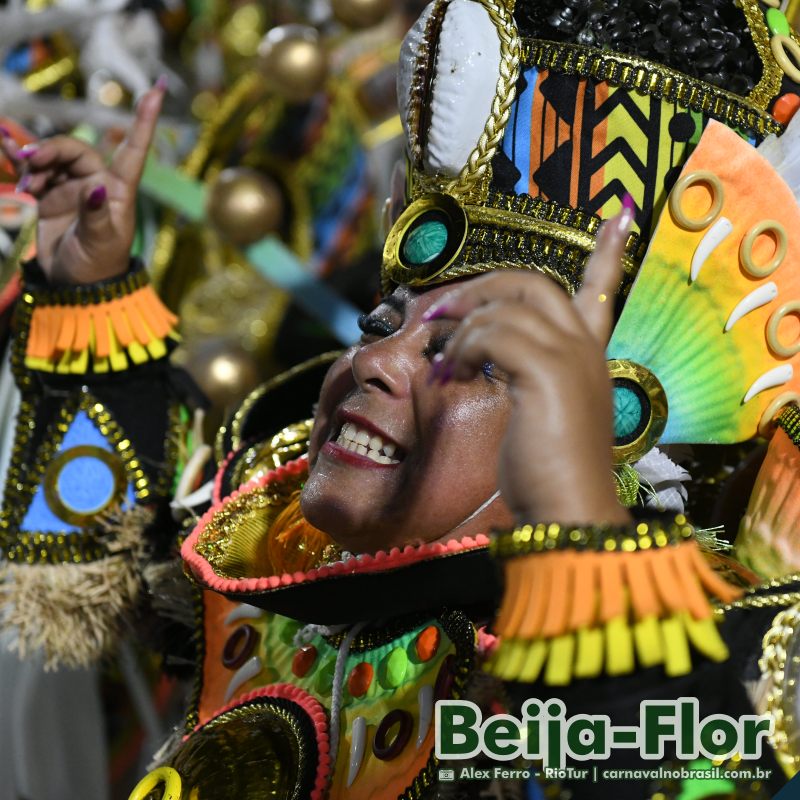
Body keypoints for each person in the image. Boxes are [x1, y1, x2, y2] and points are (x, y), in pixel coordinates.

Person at [5, 0, 800, 797]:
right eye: (381, 321)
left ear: (601, 428)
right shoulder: (282, 549)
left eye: (468, 354)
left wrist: (575, 520)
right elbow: (84, 583)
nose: (377, 361)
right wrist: (91, 295)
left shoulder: (728, 671)